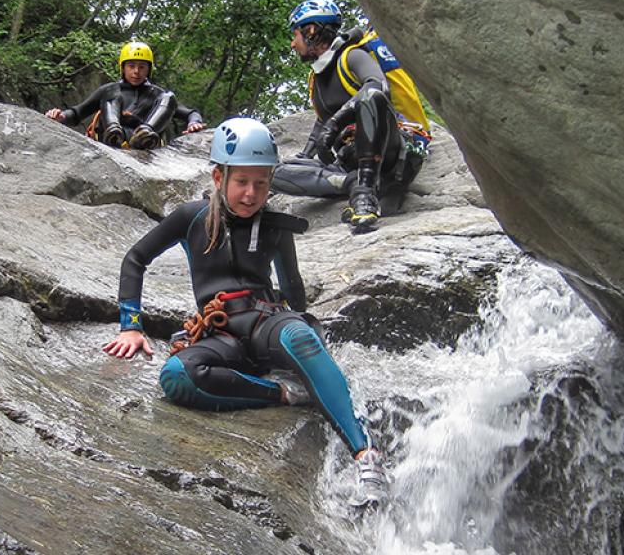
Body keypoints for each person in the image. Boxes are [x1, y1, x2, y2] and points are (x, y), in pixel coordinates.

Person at [102, 117, 387, 506]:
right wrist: (130, 327)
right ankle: (286, 394)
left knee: (299, 336)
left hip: (267, 323)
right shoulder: (191, 218)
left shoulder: (276, 226)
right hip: (222, 336)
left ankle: (365, 455)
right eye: (242, 182)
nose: (252, 194)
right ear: (219, 177)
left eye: (261, 183)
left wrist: (308, 347)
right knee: (177, 375)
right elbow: (136, 259)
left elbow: (292, 289)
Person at [271, 0, 432, 231]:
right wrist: (304, 157)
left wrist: (336, 123)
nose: (292, 44)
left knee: (371, 96)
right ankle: (351, 184)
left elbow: (377, 86)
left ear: (310, 30)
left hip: (389, 152)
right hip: (349, 162)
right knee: (268, 172)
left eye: (295, 35)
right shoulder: (316, 78)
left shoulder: (352, 56)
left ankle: (365, 195)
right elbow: (321, 122)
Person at [45, 41, 206, 149]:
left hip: (143, 142)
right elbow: (77, 113)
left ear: (148, 70)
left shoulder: (157, 95)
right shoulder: (110, 90)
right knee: (111, 92)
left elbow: (191, 113)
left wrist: (194, 123)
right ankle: (113, 132)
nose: (136, 71)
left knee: (169, 96)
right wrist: (60, 116)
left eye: (142, 67)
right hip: (111, 138)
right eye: (131, 66)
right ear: (123, 68)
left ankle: (145, 134)